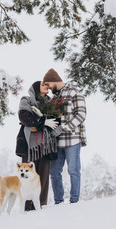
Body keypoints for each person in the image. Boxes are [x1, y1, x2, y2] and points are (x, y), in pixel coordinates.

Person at [42, 68, 87, 204]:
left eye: (48, 85)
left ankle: (74, 201)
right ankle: (58, 202)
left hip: (73, 139)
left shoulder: (74, 93)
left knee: (73, 170)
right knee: (54, 172)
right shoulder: (54, 99)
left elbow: (81, 115)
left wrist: (63, 127)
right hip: (57, 142)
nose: (48, 89)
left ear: (53, 81)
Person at [15, 81, 59, 210]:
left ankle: (41, 206)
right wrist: (43, 121)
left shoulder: (51, 104)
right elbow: (24, 117)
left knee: (43, 178)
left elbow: (56, 121)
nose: (47, 87)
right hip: (29, 146)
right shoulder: (26, 100)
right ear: (35, 88)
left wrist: (39, 121)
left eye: (47, 85)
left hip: (46, 146)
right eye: (43, 85)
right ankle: (27, 207)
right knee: (27, 176)